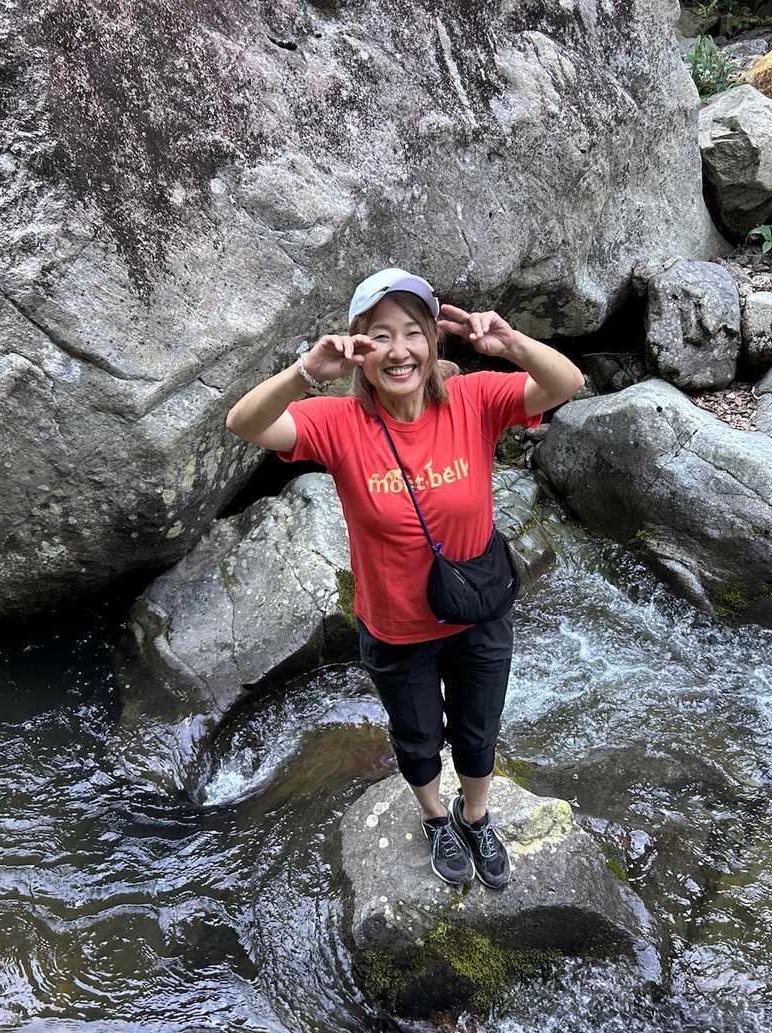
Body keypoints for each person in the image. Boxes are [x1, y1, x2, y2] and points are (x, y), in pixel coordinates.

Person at [224, 268, 584, 888]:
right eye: (380, 336)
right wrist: (306, 372)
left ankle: (476, 816)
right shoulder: (338, 423)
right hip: (396, 624)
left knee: (478, 730)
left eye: (413, 333)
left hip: (477, 609)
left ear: (433, 341)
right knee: (417, 737)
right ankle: (436, 818)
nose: (399, 351)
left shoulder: (472, 400)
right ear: (358, 350)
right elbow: (245, 423)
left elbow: (566, 383)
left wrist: (510, 343)